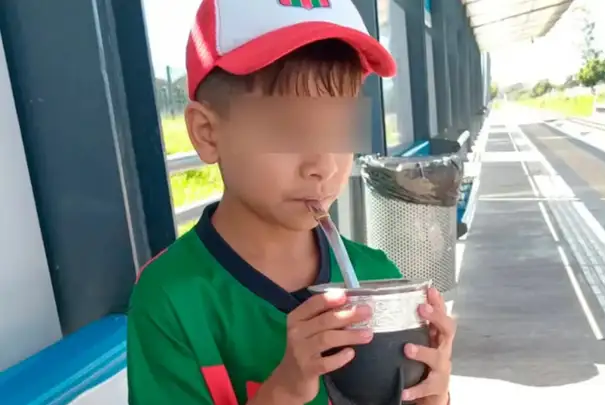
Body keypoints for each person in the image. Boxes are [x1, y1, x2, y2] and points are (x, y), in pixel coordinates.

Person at [127, 0, 456, 404]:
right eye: (287, 129)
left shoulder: (376, 274)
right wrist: (284, 390)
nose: (323, 165)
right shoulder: (171, 297)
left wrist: (430, 394)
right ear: (208, 133)